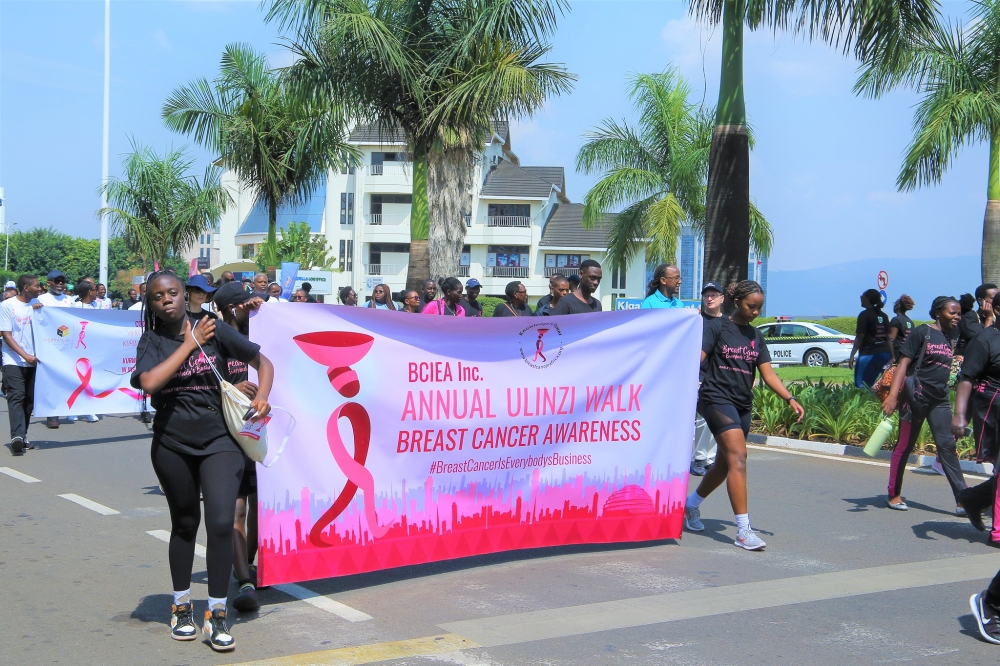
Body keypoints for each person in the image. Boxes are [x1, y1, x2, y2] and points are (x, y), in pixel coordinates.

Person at [130, 271, 273, 652]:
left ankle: (217, 614)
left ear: (183, 295)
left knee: (223, 522)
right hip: (172, 444)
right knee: (186, 523)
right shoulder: (152, 340)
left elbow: (263, 362)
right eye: (158, 296)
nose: (167, 300)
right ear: (151, 304)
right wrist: (191, 345)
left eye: (173, 293)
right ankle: (180, 607)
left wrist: (262, 397)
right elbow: (149, 383)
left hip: (220, 442)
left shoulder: (213, 327)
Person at [684, 281, 805, 550]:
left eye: (760, 308)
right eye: (752, 306)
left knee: (726, 464)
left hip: (742, 404)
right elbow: (695, 358)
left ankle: (690, 506)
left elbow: (768, 373)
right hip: (715, 398)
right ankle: (743, 530)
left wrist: (790, 398)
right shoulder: (717, 327)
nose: (755, 312)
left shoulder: (756, 337)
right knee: (739, 457)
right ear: (737, 301)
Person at [881, 296, 967, 513]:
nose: (957, 316)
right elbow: (903, 364)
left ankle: (962, 500)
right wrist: (892, 396)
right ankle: (893, 494)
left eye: (958, 313)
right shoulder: (922, 332)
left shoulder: (951, 337)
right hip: (915, 397)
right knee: (904, 446)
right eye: (952, 312)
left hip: (939, 400)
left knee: (947, 447)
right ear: (938, 313)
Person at [212, 282, 265, 613]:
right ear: (232, 308)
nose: (251, 306)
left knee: (261, 506)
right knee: (239, 508)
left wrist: (266, 305)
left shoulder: (260, 333)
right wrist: (232, 387)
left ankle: (247, 562)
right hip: (229, 433)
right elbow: (202, 381)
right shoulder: (214, 340)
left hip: (260, 430)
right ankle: (243, 574)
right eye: (245, 303)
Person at [952, 292, 1000, 543]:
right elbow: (967, 378)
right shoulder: (985, 340)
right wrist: (960, 415)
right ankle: (998, 531)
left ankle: (973, 499)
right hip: (994, 408)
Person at [1, 275, 42, 455]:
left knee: (29, 401)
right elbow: (6, 335)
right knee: (17, 395)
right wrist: (24, 355)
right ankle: (16, 436)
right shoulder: (7, 306)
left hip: (34, 360)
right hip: (13, 360)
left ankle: (22, 436)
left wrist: (41, 312)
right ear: (26, 287)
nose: (39, 288)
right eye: (36, 285)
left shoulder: (38, 305)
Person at [691, 281, 725, 477]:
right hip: (700, 377)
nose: (709, 298)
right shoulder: (695, 319)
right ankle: (699, 458)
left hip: (722, 378)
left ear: (722, 298)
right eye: (706, 295)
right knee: (702, 419)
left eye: (714, 295)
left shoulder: (728, 322)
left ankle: (710, 458)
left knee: (717, 419)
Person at [39, 271, 73, 428]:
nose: (60, 284)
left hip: (67, 345)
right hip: (49, 345)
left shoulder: (69, 300)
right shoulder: (41, 300)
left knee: (66, 378)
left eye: (63, 281)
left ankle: (67, 407)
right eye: (57, 281)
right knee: (50, 379)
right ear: (49, 283)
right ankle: (52, 414)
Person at [848, 288, 891, 389]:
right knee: (870, 384)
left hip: (868, 354)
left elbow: (860, 337)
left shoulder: (864, 315)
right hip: (884, 354)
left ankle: (864, 404)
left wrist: (852, 355)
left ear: (867, 298)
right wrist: (892, 356)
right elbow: (889, 337)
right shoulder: (884, 316)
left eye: (862, 297)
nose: (861, 299)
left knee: (860, 385)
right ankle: (873, 403)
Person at [956, 283, 998, 358]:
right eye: (993, 298)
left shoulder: (997, 318)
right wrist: (989, 318)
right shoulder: (970, 317)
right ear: (981, 301)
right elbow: (982, 341)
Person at [887, 295, 916, 362]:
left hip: (896, 354)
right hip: (905, 355)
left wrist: (892, 357)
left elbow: (891, 339)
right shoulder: (910, 322)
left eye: (895, 303)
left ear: (898, 305)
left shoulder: (896, 320)